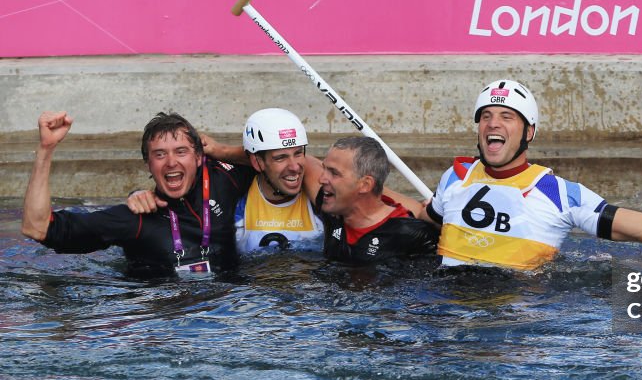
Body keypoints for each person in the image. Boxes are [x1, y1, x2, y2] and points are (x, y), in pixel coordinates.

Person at [422, 80, 642, 272]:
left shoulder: (559, 193)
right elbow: (428, 215)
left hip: (512, 313)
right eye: (485, 116)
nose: (492, 124)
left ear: (529, 132)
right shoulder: (455, 177)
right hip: (448, 304)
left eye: (506, 116)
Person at [22, 111, 251, 276]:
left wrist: (222, 150)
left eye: (181, 152)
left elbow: (272, 158)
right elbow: (37, 227)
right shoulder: (135, 219)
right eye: (160, 155)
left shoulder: (223, 180)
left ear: (199, 158)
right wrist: (45, 149)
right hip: (162, 321)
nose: (171, 162)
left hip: (230, 317)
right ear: (147, 165)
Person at [128, 108, 325, 253]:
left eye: (298, 153)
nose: (294, 166)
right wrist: (138, 196)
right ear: (257, 162)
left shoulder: (319, 190)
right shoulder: (233, 193)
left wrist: (223, 151)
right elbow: (176, 193)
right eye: (280, 157)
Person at [315, 136, 439, 264]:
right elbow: (306, 164)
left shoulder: (411, 235)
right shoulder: (329, 202)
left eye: (334, 173)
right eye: (324, 168)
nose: (321, 179)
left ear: (365, 185)